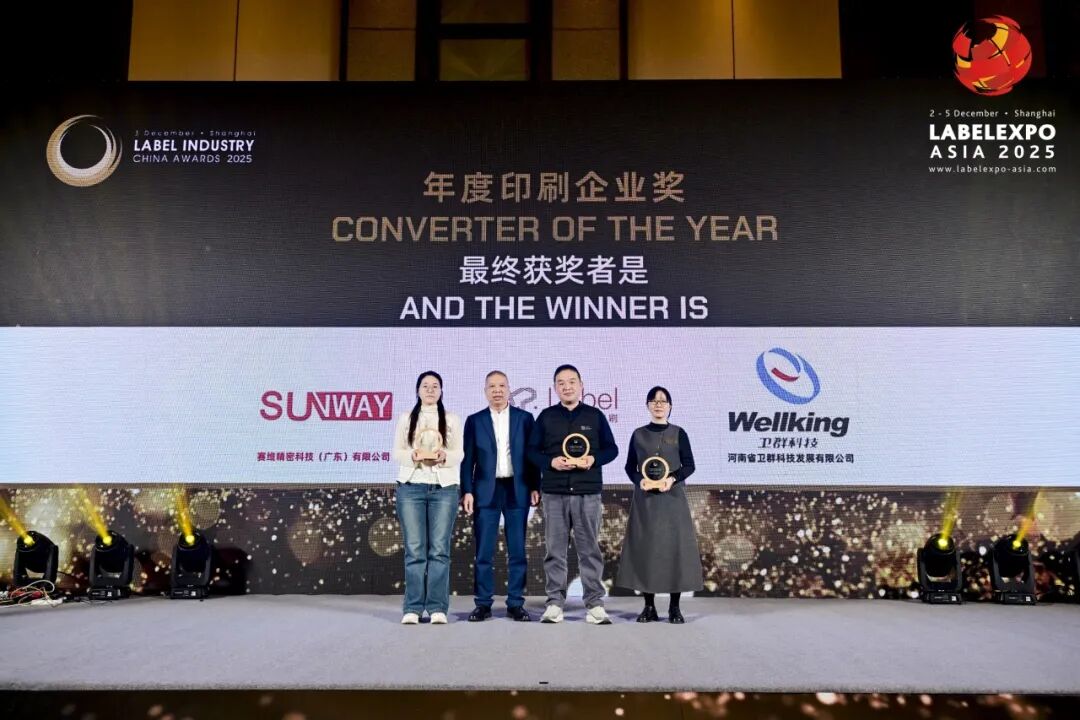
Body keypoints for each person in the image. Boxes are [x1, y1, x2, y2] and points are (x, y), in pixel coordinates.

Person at [526, 364, 618, 625]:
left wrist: (593, 459)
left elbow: (612, 449)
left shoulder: (595, 416)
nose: (567, 387)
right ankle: (555, 603)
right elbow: (531, 451)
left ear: (581, 385)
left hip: (587, 492)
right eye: (561, 383)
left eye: (571, 382)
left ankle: (595, 604)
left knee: (589, 551)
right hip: (554, 493)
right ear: (555, 388)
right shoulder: (546, 417)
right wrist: (550, 462)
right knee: (555, 551)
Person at [615, 386, 703, 623]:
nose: (658, 404)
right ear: (647, 406)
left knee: (675, 552)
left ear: (670, 406)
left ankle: (674, 608)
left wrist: (672, 479)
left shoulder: (679, 433)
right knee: (647, 551)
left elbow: (689, 465)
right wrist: (640, 481)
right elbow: (629, 467)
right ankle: (649, 607)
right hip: (646, 502)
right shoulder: (638, 434)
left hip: (673, 500)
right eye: (654, 401)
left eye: (663, 401)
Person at [460, 371, 539, 621]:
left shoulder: (525, 419)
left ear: (509, 389)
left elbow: (532, 457)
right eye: (492, 386)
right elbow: (467, 460)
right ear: (485, 391)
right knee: (484, 552)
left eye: (502, 385)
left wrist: (535, 486)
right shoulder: (475, 421)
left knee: (517, 551)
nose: (497, 390)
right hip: (486, 490)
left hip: (517, 488)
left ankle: (515, 603)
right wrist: (467, 490)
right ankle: (483, 603)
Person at [391, 371, 464, 625]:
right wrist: (412, 455)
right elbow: (396, 452)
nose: (430, 390)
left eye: (435, 386)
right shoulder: (406, 418)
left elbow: (459, 453)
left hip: (443, 488)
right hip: (411, 487)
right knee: (414, 550)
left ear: (441, 391)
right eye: (425, 386)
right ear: (418, 390)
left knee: (439, 550)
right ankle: (412, 607)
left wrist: (445, 457)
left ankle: (437, 607)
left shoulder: (452, 419)